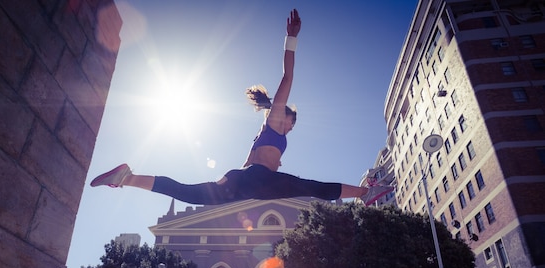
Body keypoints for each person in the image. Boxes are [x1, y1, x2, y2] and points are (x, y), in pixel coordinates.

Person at [90, 9, 392, 206]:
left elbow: (247, 165)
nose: (291, 129)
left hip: (243, 182)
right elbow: (288, 76)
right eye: (292, 124)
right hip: (256, 181)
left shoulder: (262, 135)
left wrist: (264, 168)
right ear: (284, 117)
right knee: (313, 187)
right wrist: (291, 39)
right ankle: (365, 193)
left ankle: (126, 178)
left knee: (188, 192)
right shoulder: (275, 121)